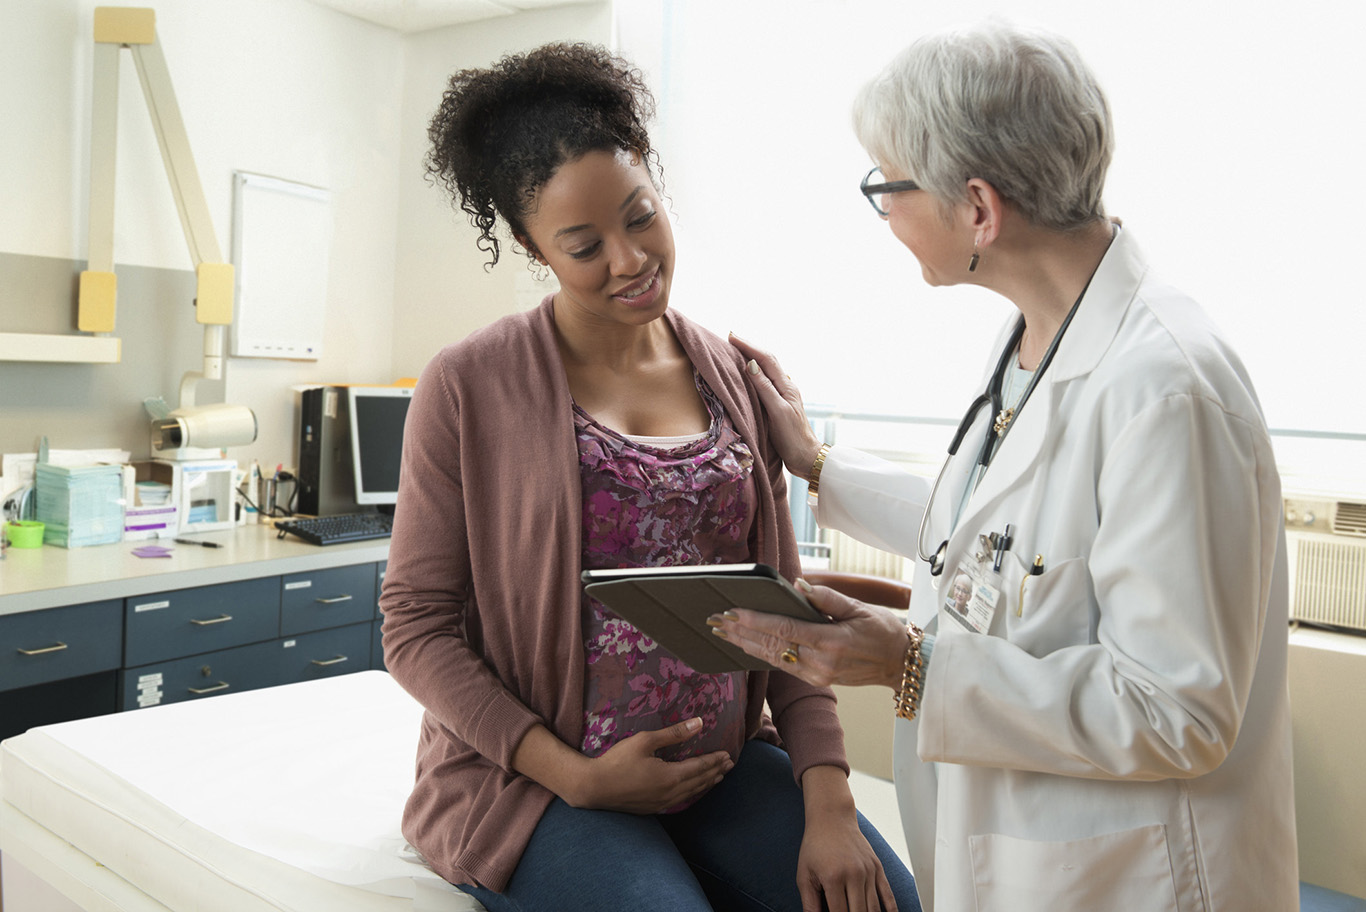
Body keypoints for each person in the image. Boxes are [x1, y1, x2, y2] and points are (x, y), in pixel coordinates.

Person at [714, 20, 1297, 912]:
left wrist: (911, 666)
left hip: (1138, 883)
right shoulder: (1039, 335)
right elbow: (1006, 536)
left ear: (979, 209)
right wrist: (815, 463)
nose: (885, 215)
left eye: (888, 186)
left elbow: (1178, 710)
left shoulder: (1166, 388)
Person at [379, 42, 921, 912]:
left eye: (640, 217)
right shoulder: (468, 385)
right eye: (584, 245)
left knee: (889, 905)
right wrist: (575, 777)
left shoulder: (732, 376)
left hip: (724, 764)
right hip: (549, 784)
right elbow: (414, 626)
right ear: (531, 245)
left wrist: (830, 802)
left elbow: (782, 605)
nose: (630, 260)